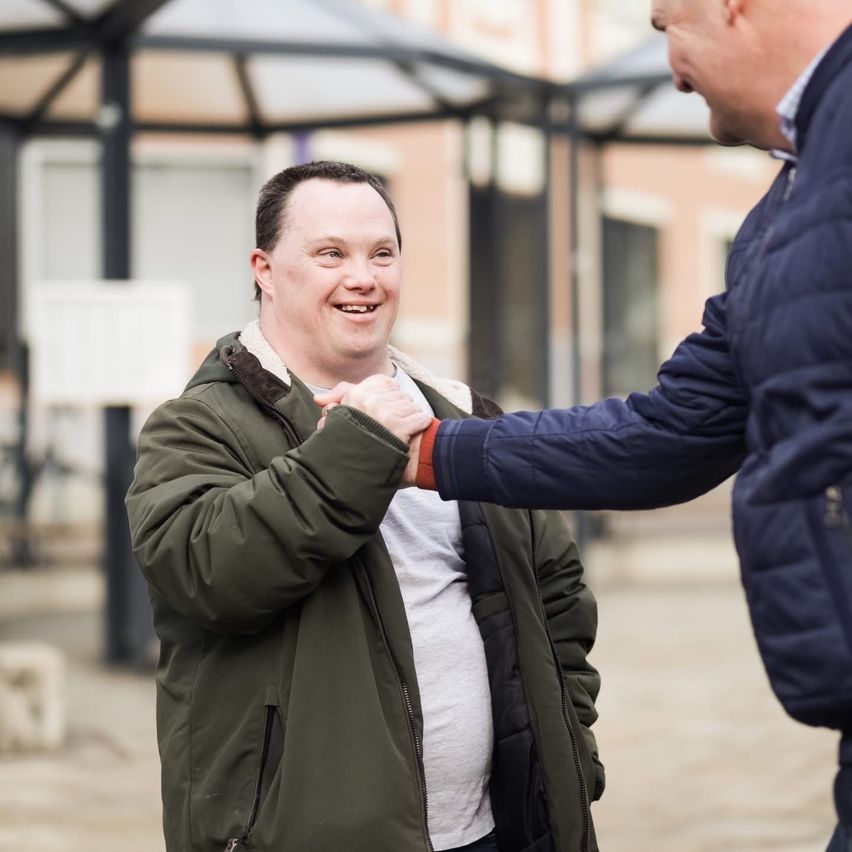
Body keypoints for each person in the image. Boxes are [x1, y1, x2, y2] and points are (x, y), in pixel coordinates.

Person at [321, 2, 852, 849]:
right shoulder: (789, 204)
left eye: (665, 27)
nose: (673, 71)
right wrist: (432, 450)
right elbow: (670, 433)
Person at [125, 160, 604, 852]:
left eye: (382, 253)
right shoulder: (197, 425)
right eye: (330, 254)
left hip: (497, 830)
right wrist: (356, 448)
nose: (363, 277)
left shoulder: (466, 419)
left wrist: (564, 752)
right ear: (263, 269)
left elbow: (556, 594)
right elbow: (206, 573)